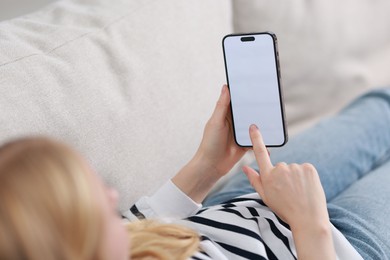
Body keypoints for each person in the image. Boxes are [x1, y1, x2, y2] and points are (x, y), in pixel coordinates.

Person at [0, 85, 389, 259]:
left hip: (248, 198)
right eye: (96, 210)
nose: (113, 198)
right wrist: (311, 226)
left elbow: (137, 223)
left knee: (380, 108)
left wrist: (207, 166)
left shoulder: (108, 246)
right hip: (337, 245)